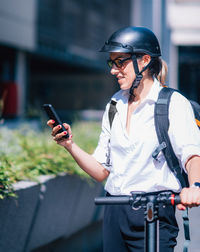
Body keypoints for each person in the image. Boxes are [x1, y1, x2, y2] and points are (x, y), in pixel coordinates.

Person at [47, 26, 200, 252]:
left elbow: (192, 153)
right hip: (114, 210)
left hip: (154, 211)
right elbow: (101, 170)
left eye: (120, 62)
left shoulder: (173, 103)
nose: (113, 70)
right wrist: (69, 145)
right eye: (112, 63)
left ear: (145, 60)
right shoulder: (114, 105)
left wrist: (195, 186)